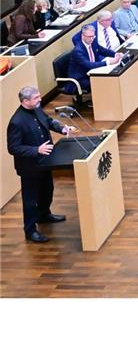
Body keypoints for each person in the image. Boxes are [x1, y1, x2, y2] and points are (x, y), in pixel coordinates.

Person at [7, 86, 78, 242]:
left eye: (39, 96)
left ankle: (44, 215)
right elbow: (13, 148)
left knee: (47, 190)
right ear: (25, 101)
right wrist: (36, 149)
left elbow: (49, 121)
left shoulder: (38, 109)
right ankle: (30, 230)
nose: (40, 99)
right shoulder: (16, 122)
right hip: (30, 167)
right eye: (36, 98)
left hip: (46, 161)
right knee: (31, 200)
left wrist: (62, 128)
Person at [68, 23, 121, 94]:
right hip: (81, 78)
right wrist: (108, 62)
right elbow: (89, 65)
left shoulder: (92, 42)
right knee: (104, 82)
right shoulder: (78, 50)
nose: (91, 39)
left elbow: (102, 50)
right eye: (89, 36)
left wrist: (115, 54)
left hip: (92, 72)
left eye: (93, 36)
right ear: (82, 36)